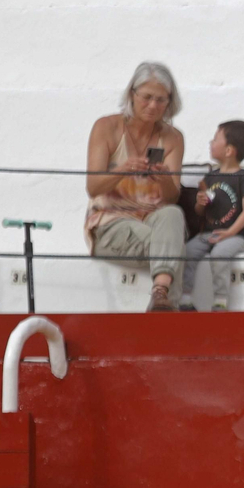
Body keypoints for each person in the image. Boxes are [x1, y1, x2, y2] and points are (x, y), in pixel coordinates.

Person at [85, 61, 187, 313]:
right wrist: (123, 169)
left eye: (161, 100)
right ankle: (168, 301)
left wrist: (163, 177)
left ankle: (160, 293)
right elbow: (93, 186)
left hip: (152, 219)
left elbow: (172, 197)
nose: (153, 106)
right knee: (172, 244)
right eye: (147, 97)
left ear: (170, 102)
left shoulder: (173, 137)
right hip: (111, 223)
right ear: (132, 94)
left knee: (173, 215)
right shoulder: (107, 127)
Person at [180, 121, 244, 311]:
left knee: (219, 254)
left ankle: (220, 301)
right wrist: (200, 203)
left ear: (229, 150)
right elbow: (201, 212)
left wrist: (230, 232)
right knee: (187, 252)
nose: (211, 143)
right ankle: (185, 298)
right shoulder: (210, 178)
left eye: (215, 139)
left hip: (236, 235)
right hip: (209, 233)